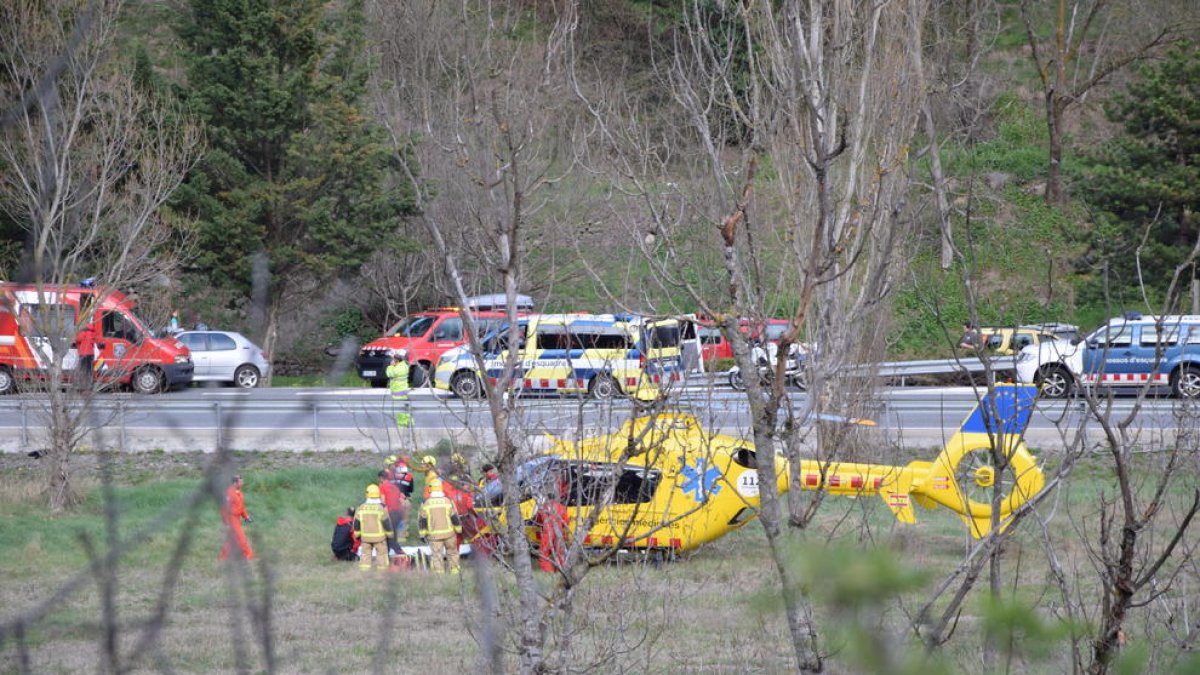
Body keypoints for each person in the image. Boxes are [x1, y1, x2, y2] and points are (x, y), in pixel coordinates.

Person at [418, 481, 462, 574]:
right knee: (452, 552)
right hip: (449, 534)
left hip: (434, 536)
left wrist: (422, 534)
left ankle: (439, 573)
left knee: (437, 555)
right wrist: (459, 530)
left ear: (431, 489)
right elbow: (455, 517)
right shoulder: (448, 500)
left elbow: (422, 520)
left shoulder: (426, 503)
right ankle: (454, 571)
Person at [354, 484, 393, 572]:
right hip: (380, 538)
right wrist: (390, 535)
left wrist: (357, 535)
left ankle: (364, 573)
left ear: (367, 494)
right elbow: (387, 523)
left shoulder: (361, 508)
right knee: (382, 555)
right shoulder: (381, 508)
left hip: (365, 538)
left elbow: (356, 523)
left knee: (365, 555)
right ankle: (382, 573)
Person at [219, 475, 255, 561]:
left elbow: (241, 507)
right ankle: (248, 555)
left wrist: (246, 517)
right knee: (241, 538)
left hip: (237, 519)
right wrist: (226, 521)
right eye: (240, 482)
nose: (242, 483)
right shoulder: (229, 493)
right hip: (232, 519)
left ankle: (223, 557)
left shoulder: (239, 493)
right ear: (235, 483)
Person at [533, 489, 568, 573]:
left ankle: (548, 571)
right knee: (559, 553)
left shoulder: (543, 508)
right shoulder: (561, 507)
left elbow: (538, 521)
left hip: (547, 533)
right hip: (558, 532)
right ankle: (561, 571)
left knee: (544, 553)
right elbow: (566, 521)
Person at [377, 470, 407, 552]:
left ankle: (401, 554)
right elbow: (402, 500)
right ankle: (387, 556)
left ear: (381, 478)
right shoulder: (395, 487)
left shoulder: (382, 487)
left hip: (389, 514)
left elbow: (383, 502)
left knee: (389, 537)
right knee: (393, 536)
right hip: (397, 514)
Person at [387, 350, 411, 430]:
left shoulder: (398, 368)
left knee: (400, 409)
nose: (392, 360)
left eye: (394, 359)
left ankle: (402, 426)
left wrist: (390, 366)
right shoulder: (403, 365)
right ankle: (408, 423)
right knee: (403, 408)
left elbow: (390, 374)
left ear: (397, 360)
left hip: (398, 392)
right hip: (402, 390)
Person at [75, 319, 96, 389]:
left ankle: (82, 385)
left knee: (82, 369)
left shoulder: (82, 332)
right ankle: (89, 384)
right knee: (89, 370)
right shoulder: (93, 332)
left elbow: (77, 339)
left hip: (83, 353)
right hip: (91, 353)